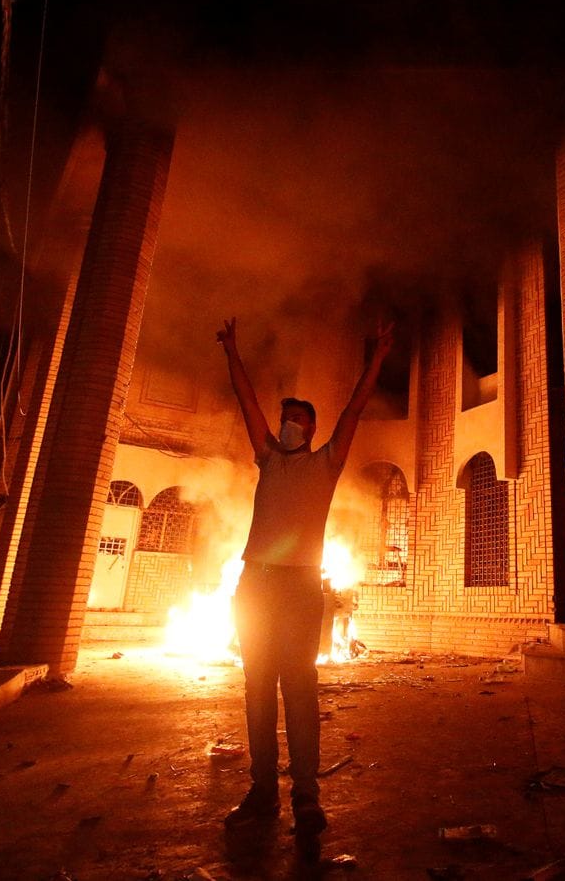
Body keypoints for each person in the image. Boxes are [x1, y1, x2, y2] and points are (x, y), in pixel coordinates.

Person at [216, 315, 395, 837]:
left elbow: (354, 409)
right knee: (257, 688)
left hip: (299, 587)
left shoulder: (327, 463)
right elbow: (247, 401)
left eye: (298, 419)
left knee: (299, 689)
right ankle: (262, 792)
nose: (288, 424)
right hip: (255, 584)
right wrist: (232, 351)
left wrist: (377, 358)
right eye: (285, 418)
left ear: (312, 429)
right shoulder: (268, 458)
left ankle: (305, 797)